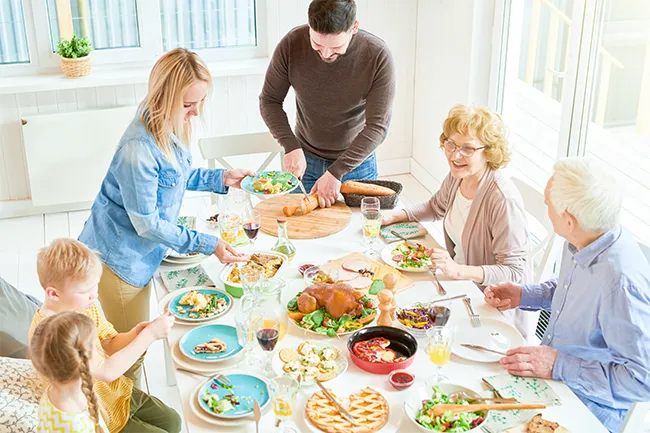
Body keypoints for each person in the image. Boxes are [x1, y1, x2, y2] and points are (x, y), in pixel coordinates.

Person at [78, 48, 252, 375]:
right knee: (128, 359)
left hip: (143, 254)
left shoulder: (163, 123)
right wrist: (208, 244)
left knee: (137, 348)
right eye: (188, 105)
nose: (195, 113)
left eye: (200, 102)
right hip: (120, 263)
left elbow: (172, 176)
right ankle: (122, 422)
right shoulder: (137, 148)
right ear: (165, 98)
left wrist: (220, 178)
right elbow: (147, 224)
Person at [485, 157, 650, 433]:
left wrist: (557, 364)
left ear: (569, 220)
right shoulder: (586, 238)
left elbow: (642, 380)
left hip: (586, 408)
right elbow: (573, 289)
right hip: (552, 380)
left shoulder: (622, 284)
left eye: (548, 205)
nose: (546, 209)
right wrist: (524, 295)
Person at [29, 238, 181, 433]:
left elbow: (108, 342)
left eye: (96, 286)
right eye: (86, 291)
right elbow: (106, 372)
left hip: (118, 393)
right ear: (54, 294)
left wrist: (135, 334)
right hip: (100, 412)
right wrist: (150, 336)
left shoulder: (83, 305)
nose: (95, 295)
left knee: (173, 421)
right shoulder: (52, 334)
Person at [259, 0, 396, 207]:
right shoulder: (291, 44)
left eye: (336, 47)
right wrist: (290, 145)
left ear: (354, 28)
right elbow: (269, 100)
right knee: (302, 228)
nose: (325, 54)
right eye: (317, 45)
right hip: (304, 160)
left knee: (361, 231)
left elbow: (378, 127)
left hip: (356, 164)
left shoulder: (377, 56)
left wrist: (337, 171)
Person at [382, 104, 529, 286]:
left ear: (489, 152)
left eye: (468, 148)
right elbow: (435, 207)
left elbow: (513, 271)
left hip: (486, 295)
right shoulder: (459, 176)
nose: (455, 155)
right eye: (451, 144)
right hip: (456, 278)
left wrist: (458, 270)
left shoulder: (502, 200)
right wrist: (391, 217)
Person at [31, 312, 109, 433]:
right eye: (94, 346)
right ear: (84, 359)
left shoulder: (54, 391)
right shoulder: (75, 425)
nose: (99, 351)